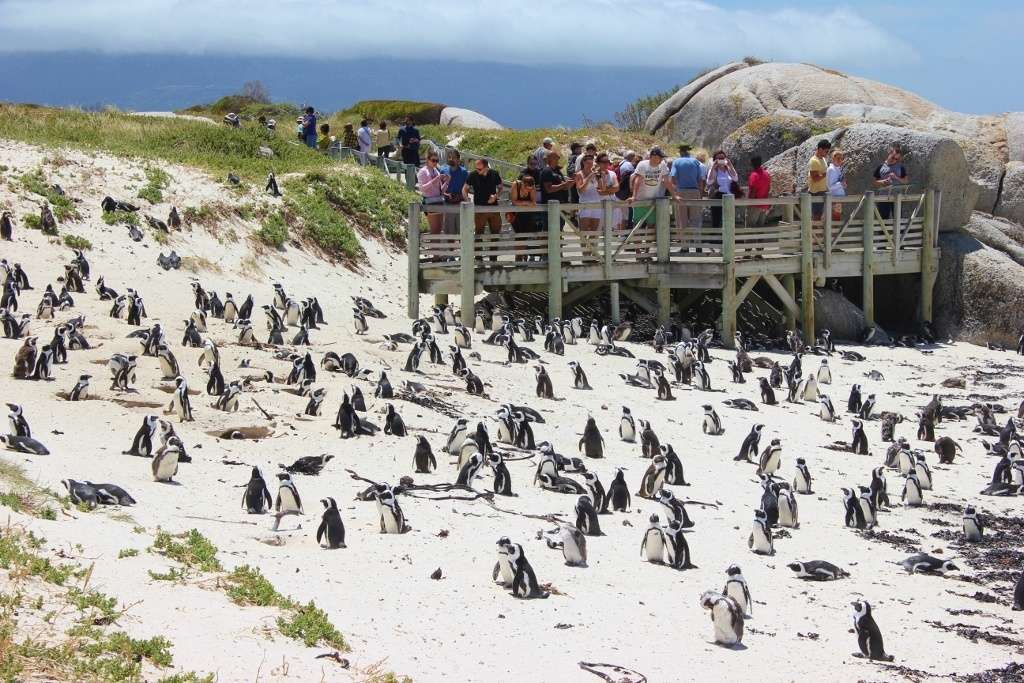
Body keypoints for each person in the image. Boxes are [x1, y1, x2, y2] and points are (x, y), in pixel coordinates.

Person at [629, 147, 672, 227]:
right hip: (641, 199)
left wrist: (674, 195)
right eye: (660, 157)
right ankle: (637, 239)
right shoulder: (642, 164)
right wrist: (634, 196)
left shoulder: (662, 165)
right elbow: (637, 180)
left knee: (652, 225)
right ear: (654, 157)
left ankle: (649, 240)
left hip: (654, 200)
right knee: (637, 225)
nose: (662, 159)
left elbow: (666, 181)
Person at [463, 158, 502, 236]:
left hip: (493, 208)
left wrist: (495, 196)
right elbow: (464, 189)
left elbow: (500, 187)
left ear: (486, 167)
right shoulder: (473, 175)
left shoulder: (494, 173)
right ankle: (478, 248)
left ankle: (494, 248)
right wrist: (467, 200)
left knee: (496, 233)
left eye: (479, 169)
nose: (477, 170)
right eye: (476, 168)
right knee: (479, 234)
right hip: (479, 209)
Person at [670, 144, 704, 229]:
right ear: (688, 151)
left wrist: (674, 193)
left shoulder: (676, 162)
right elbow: (700, 179)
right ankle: (696, 241)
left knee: (681, 219)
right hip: (694, 191)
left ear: (680, 152)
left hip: (681, 192)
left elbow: (673, 177)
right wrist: (700, 194)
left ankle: (683, 240)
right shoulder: (696, 161)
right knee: (695, 219)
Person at [540, 150, 574, 230]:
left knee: (559, 228)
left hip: (560, 205)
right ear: (549, 159)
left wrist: (573, 181)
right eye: (556, 157)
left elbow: (564, 187)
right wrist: (564, 185)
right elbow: (549, 189)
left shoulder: (557, 171)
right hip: (551, 207)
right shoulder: (546, 171)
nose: (558, 159)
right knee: (549, 230)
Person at [873, 143, 908, 221]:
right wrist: (883, 181)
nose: (894, 160)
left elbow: (905, 181)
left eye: (897, 159)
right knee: (883, 220)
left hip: (897, 197)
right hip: (883, 197)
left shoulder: (900, 167)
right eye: (893, 157)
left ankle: (898, 233)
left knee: (898, 220)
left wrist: (896, 177)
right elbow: (874, 182)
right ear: (889, 153)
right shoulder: (880, 166)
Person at [704, 150, 739, 228]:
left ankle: (728, 239)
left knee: (728, 220)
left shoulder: (728, 168)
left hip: (729, 197)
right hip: (717, 196)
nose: (721, 160)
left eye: (723, 158)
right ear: (715, 160)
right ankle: (715, 239)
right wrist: (713, 167)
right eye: (719, 158)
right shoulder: (713, 170)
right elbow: (709, 182)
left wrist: (730, 165)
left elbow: (735, 178)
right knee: (716, 220)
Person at [416, 152, 448, 235]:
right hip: (430, 201)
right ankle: (434, 247)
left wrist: (447, 181)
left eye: (437, 160)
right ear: (427, 160)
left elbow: (441, 190)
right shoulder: (423, 171)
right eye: (433, 160)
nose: (435, 163)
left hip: (439, 200)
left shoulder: (436, 171)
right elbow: (422, 188)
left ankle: (436, 247)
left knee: (439, 229)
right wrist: (435, 180)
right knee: (434, 230)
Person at [440, 150, 468, 234]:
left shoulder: (464, 172)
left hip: (461, 204)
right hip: (448, 204)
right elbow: (439, 188)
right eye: (449, 157)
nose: (451, 159)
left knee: (461, 229)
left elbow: (467, 188)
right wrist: (445, 194)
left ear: (458, 160)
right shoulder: (443, 171)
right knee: (449, 230)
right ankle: (450, 247)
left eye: (454, 157)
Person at [807, 139, 831, 220]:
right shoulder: (814, 161)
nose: (827, 153)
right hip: (815, 192)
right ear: (820, 149)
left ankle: (816, 232)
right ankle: (813, 233)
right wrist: (826, 174)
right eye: (826, 151)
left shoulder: (823, 159)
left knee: (820, 216)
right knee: (816, 216)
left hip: (823, 191)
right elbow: (815, 179)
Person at [746, 155, 772, 227]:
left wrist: (749, 204)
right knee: (761, 227)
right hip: (765, 204)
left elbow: (753, 191)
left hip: (755, 205)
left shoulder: (754, 175)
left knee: (750, 227)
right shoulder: (767, 174)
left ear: (751, 163)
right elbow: (768, 189)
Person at [827, 149, 847, 222]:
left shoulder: (837, 169)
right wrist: (841, 184)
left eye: (841, 159)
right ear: (833, 159)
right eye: (838, 158)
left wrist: (843, 185)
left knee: (837, 218)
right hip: (835, 198)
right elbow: (829, 187)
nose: (840, 160)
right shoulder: (831, 169)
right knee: (836, 219)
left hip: (838, 199)